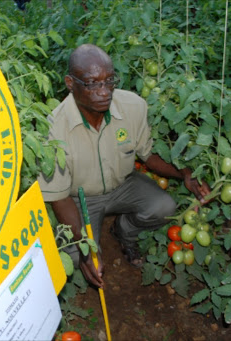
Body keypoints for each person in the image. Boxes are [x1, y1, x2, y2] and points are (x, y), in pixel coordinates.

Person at [38, 44, 210, 289]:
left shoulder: (133, 107)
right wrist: (85, 248)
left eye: (109, 81)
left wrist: (183, 173)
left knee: (164, 207)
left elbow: (148, 156)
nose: (104, 91)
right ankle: (90, 242)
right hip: (80, 200)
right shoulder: (54, 128)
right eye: (92, 83)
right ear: (70, 83)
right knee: (76, 256)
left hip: (123, 186)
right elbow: (59, 197)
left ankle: (124, 230)